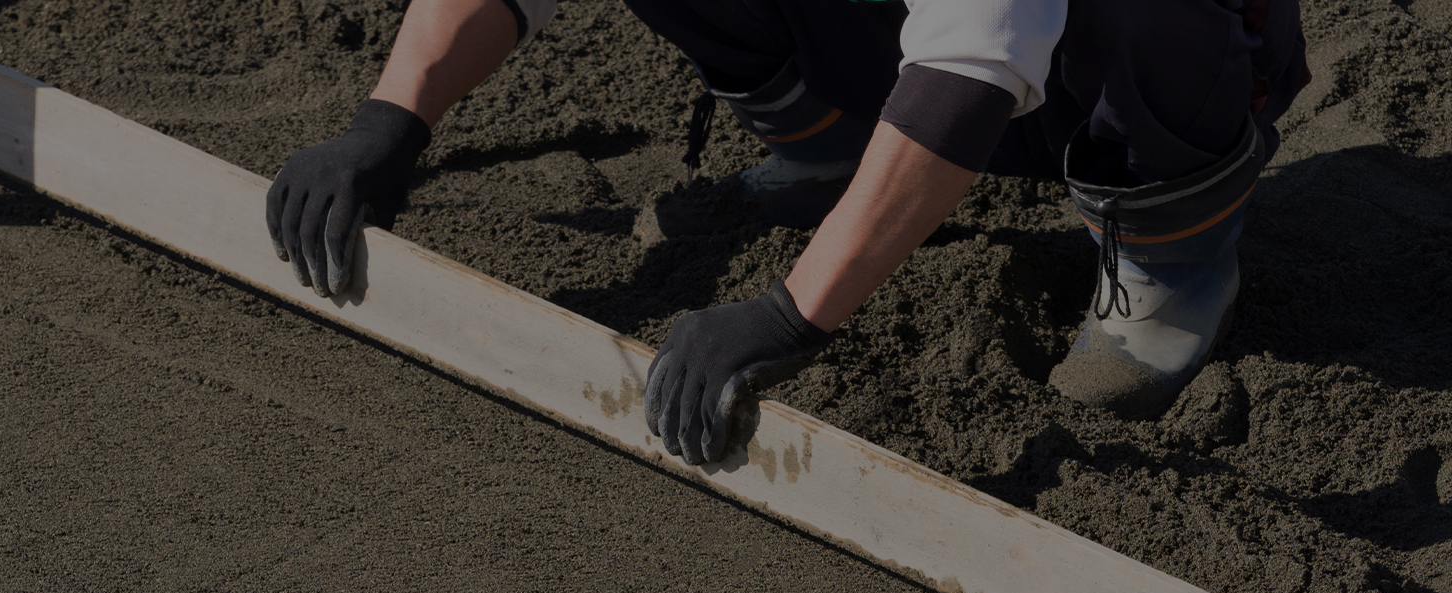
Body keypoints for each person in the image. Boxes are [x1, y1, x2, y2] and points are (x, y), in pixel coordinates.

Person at [265, 0, 1309, 465]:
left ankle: (1172, 245)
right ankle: (836, 145)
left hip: (1122, 67)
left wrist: (791, 314)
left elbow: (971, 67)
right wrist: (390, 120)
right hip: (926, 52)